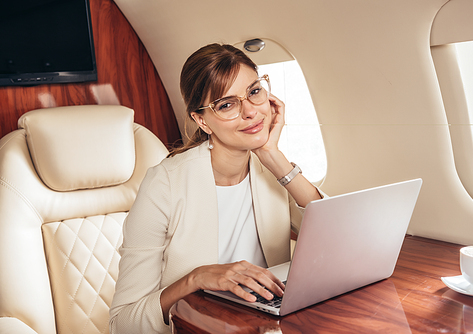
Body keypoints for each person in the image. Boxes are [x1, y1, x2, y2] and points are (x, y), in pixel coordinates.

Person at [109, 43, 324, 333]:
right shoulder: (165, 183)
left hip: (265, 325)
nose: (250, 111)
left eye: (254, 91)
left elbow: (332, 238)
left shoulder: (270, 167)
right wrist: (196, 279)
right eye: (226, 104)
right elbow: (122, 323)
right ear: (201, 120)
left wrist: (273, 156)